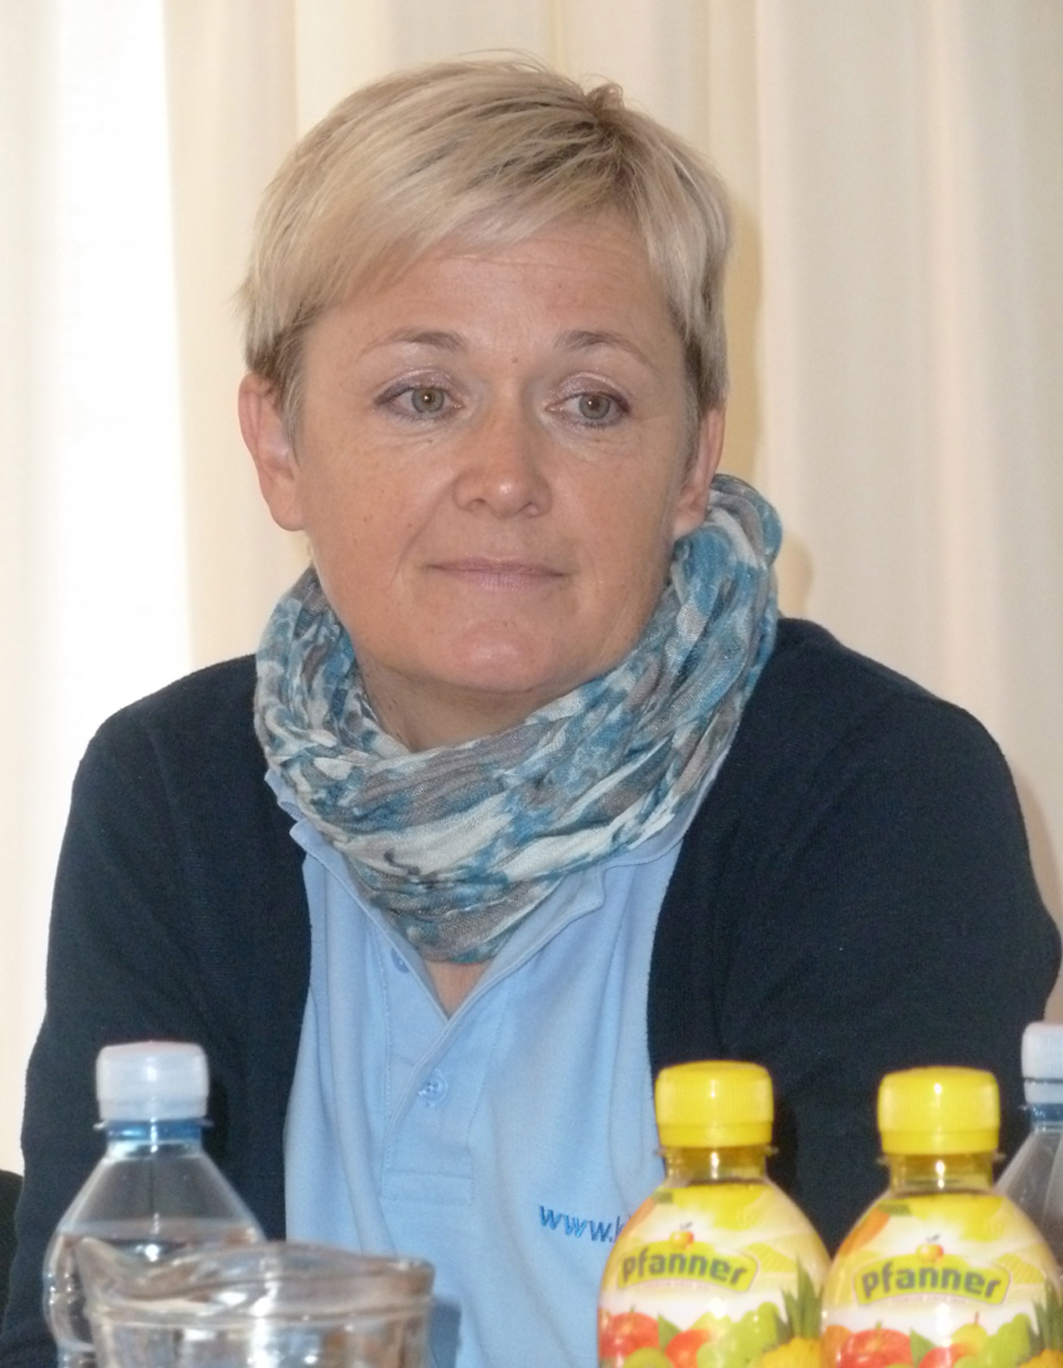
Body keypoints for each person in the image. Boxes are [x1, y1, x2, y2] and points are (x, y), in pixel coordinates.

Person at [1, 57, 1057, 1368]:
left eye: (590, 403)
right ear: (277, 446)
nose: (505, 476)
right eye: (424, 397)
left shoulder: (880, 796)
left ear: (692, 461)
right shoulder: (173, 790)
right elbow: (73, 1333)